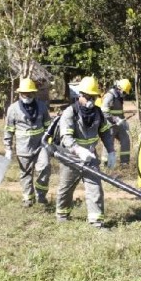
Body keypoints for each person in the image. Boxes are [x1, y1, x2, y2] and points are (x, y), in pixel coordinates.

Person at [56, 76, 116, 229]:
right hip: (71, 157)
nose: (90, 100)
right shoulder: (70, 113)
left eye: (93, 97)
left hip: (90, 157)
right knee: (66, 188)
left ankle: (96, 222)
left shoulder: (98, 113)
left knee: (95, 188)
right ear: (80, 95)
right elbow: (66, 137)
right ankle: (62, 214)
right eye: (87, 96)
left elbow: (105, 133)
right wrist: (77, 150)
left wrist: (111, 151)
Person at [3, 78, 53, 207]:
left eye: (29, 93)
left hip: (41, 145)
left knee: (45, 168)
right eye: (24, 94)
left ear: (34, 93)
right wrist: (8, 148)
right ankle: (28, 198)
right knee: (25, 174)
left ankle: (41, 196)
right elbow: (9, 129)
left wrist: (51, 142)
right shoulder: (13, 109)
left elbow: (49, 126)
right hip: (23, 147)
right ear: (19, 94)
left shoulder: (41, 106)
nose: (26, 96)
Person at [101, 78, 132, 166]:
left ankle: (124, 163)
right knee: (108, 144)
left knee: (125, 140)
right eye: (124, 92)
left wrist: (124, 121)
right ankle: (105, 165)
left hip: (118, 124)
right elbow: (104, 111)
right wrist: (115, 119)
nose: (125, 95)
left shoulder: (119, 96)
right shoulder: (110, 95)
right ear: (119, 88)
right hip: (109, 125)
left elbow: (119, 112)